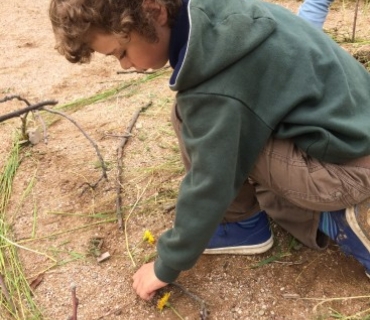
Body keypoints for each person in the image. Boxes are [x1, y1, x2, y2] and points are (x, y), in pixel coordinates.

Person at [49, 0, 370, 301]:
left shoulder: (213, 86)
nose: (127, 64)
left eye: (121, 52)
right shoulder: (216, 16)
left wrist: (167, 264)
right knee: (195, 119)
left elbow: (210, 180)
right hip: (352, 128)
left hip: (349, 170)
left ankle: (338, 221)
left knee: (213, 140)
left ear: (153, 11)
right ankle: (243, 223)